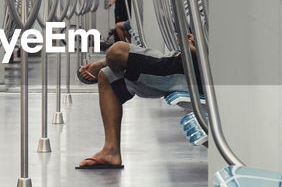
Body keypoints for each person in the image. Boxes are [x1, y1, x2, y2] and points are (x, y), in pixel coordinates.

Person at [74, 35, 198, 169]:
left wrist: (194, 48)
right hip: (188, 65)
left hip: (190, 69)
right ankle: (111, 151)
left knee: (117, 52)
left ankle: (111, 61)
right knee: (108, 76)